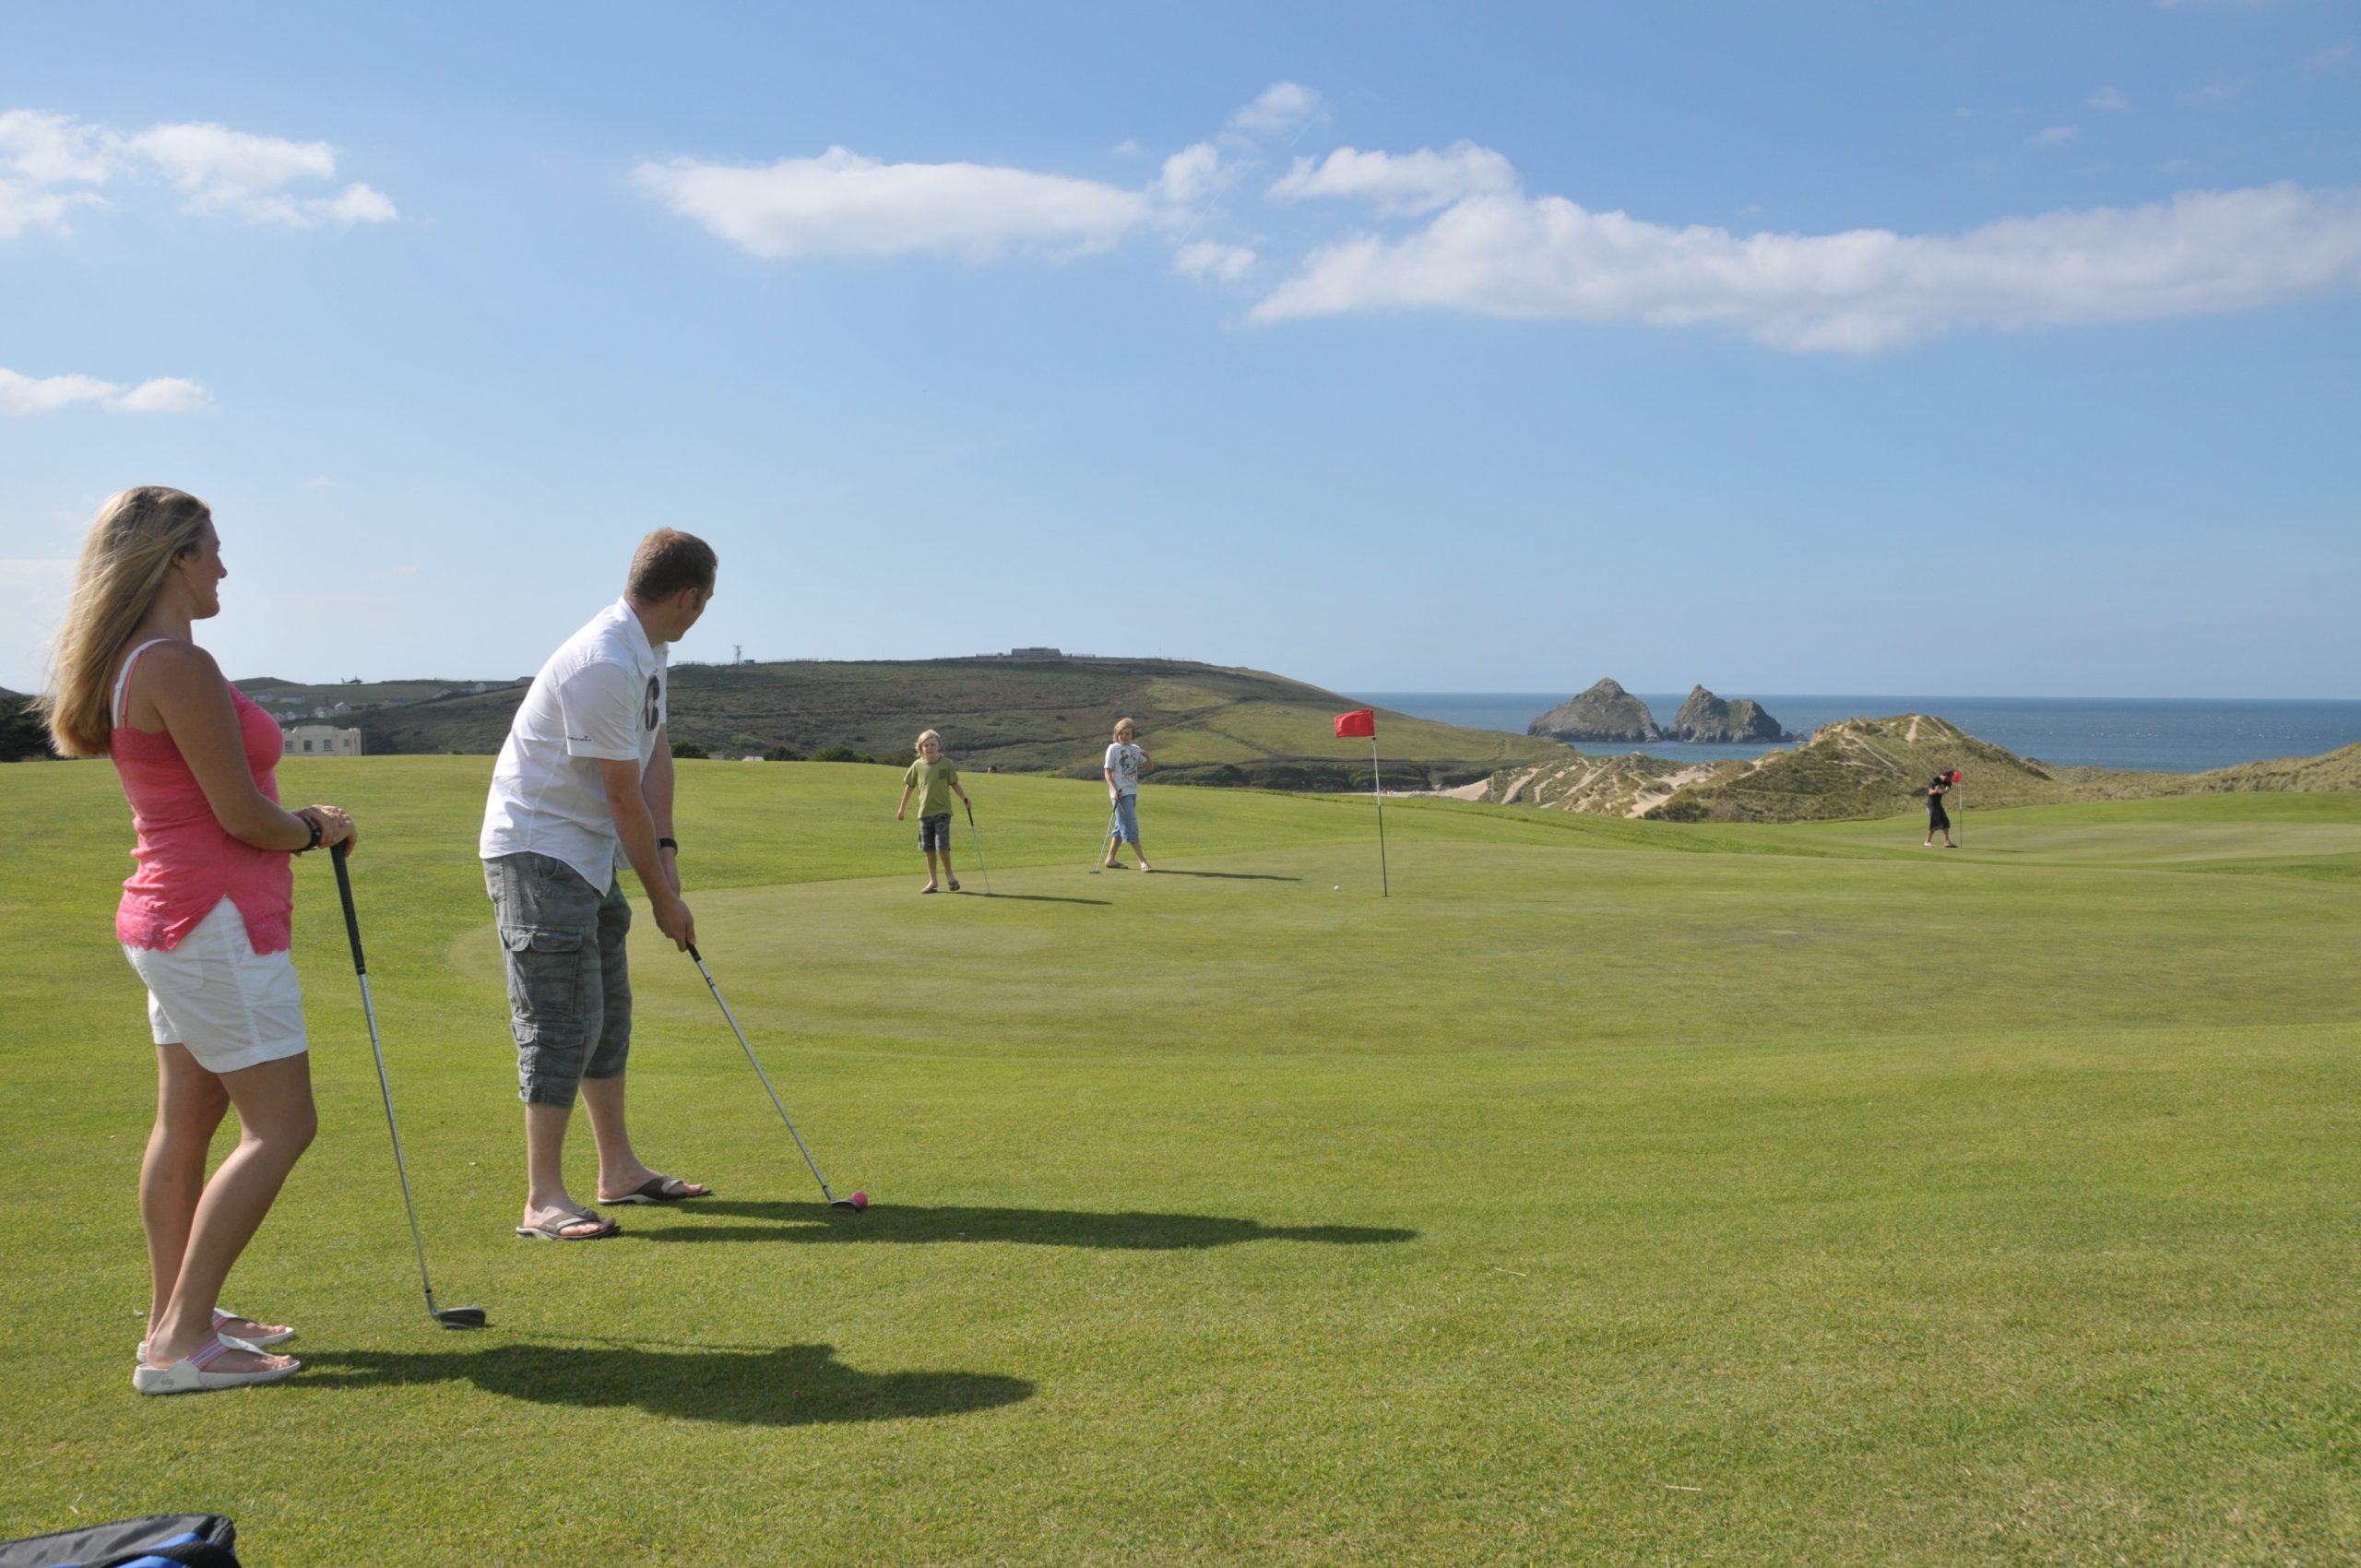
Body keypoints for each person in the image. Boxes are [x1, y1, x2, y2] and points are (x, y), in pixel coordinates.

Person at [40, 487, 357, 1395]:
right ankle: (179, 1341)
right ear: (176, 556)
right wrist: (315, 825)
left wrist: (290, 824)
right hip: (214, 920)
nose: (223, 565)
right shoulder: (175, 662)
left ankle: (173, 1315)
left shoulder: (142, 661)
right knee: (283, 1122)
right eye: (213, 548)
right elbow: (245, 817)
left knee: (190, 1120)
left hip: (176, 918)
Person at [480, 529, 718, 1241]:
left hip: (585, 856)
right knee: (558, 1023)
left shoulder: (650, 653)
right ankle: (542, 1198)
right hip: (537, 851)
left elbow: (655, 756)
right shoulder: (605, 662)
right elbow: (622, 798)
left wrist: (668, 855)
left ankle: (617, 1170)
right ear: (688, 597)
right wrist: (663, 900)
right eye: (706, 600)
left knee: (606, 1012)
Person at [896, 729, 972, 893]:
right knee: (928, 849)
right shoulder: (917, 766)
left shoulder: (947, 764)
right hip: (924, 813)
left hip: (943, 811)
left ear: (939, 746)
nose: (929, 748)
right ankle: (933, 881)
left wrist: (964, 798)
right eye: (926, 745)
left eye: (933, 744)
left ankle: (950, 875)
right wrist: (902, 808)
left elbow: (954, 783)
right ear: (921, 748)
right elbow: (909, 786)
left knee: (942, 846)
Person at [1102, 718, 1154, 872]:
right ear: (1117, 734)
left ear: (1132, 735)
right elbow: (1107, 773)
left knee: (1121, 826)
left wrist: (1148, 756)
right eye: (1121, 733)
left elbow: (1149, 767)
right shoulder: (1113, 748)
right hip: (1120, 793)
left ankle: (1110, 859)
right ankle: (1143, 861)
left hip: (1132, 792)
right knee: (1131, 826)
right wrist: (1114, 789)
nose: (1124, 736)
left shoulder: (1135, 748)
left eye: (1128, 733)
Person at [1924, 768, 1957, 849]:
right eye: (1951, 777)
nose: (1951, 779)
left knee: (1945, 821)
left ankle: (1947, 842)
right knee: (1934, 822)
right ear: (1946, 776)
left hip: (1938, 804)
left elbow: (1946, 791)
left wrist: (1942, 790)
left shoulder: (1948, 782)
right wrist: (1936, 790)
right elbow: (1930, 792)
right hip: (1931, 804)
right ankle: (1927, 841)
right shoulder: (1935, 780)